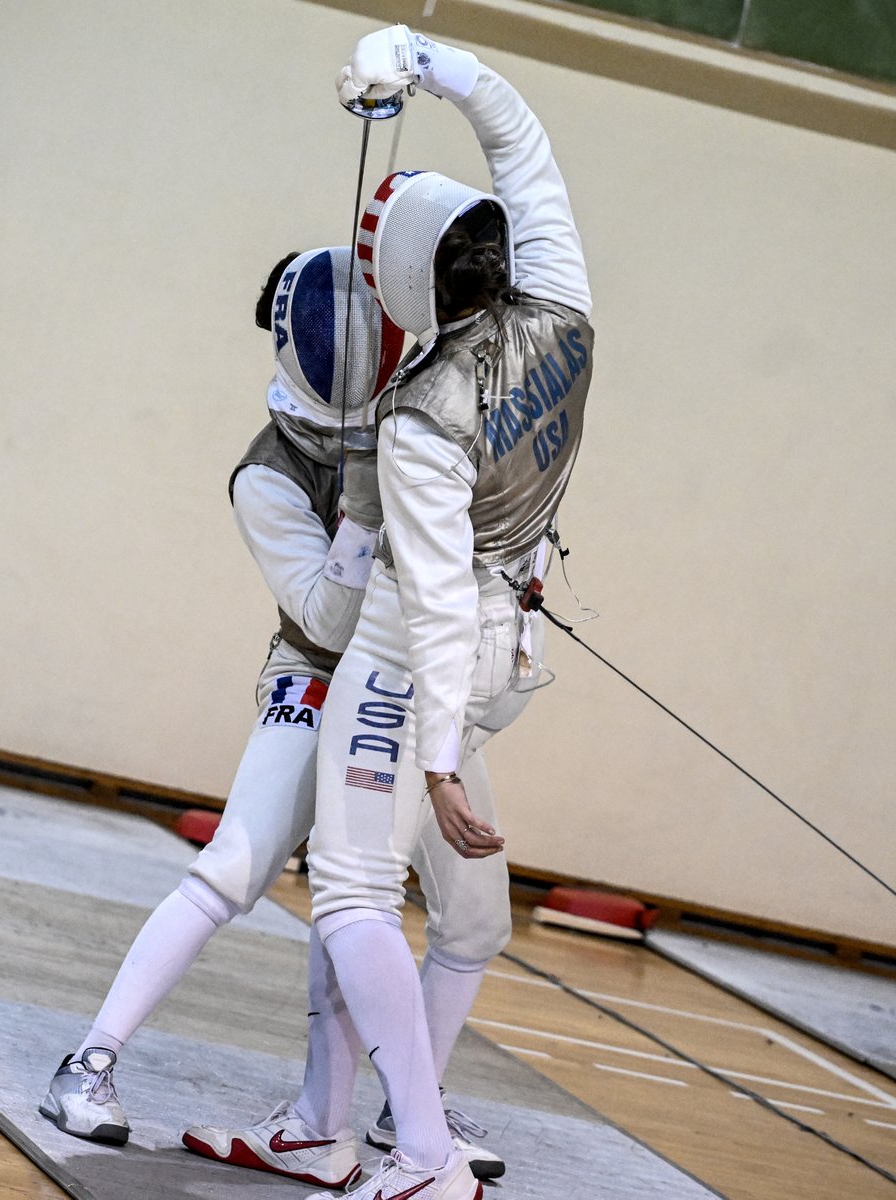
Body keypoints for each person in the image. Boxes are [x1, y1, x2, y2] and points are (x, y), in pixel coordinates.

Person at [38, 244, 511, 1187]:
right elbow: (326, 618)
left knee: (475, 915)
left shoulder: (413, 391)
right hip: (319, 676)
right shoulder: (265, 478)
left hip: (407, 684)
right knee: (239, 865)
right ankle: (87, 1065)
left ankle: (408, 1114)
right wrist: (369, 514)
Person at [304, 25, 594, 1200]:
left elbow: (422, 601)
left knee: (353, 889)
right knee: (466, 918)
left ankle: (420, 1153)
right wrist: (417, 56)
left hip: (428, 657)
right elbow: (518, 134)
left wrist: (430, 763)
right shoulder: (565, 311)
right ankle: (377, 1119)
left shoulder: (422, 415)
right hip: (506, 646)